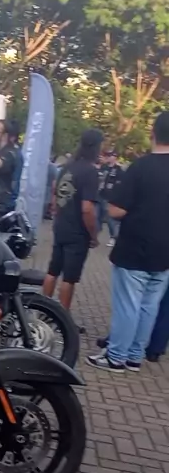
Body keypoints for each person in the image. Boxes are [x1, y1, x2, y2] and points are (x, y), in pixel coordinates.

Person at [87, 112, 169, 372]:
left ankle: (116, 357)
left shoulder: (140, 167)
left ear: (153, 133)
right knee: (149, 306)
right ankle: (135, 356)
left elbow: (115, 210)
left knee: (128, 305)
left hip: (135, 248)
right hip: (164, 252)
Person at [42, 129, 102, 311]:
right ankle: (63, 317)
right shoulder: (91, 172)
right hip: (77, 233)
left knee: (52, 271)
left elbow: (55, 194)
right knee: (69, 278)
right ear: (97, 146)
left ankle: (43, 310)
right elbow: (87, 209)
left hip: (61, 226)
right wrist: (93, 235)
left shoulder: (67, 167)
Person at [100, 150, 124, 245]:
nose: (110, 157)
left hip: (111, 196)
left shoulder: (118, 170)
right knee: (99, 216)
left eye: (112, 156)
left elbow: (120, 183)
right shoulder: (104, 167)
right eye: (109, 155)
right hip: (101, 194)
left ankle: (114, 236)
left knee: (109, 217)